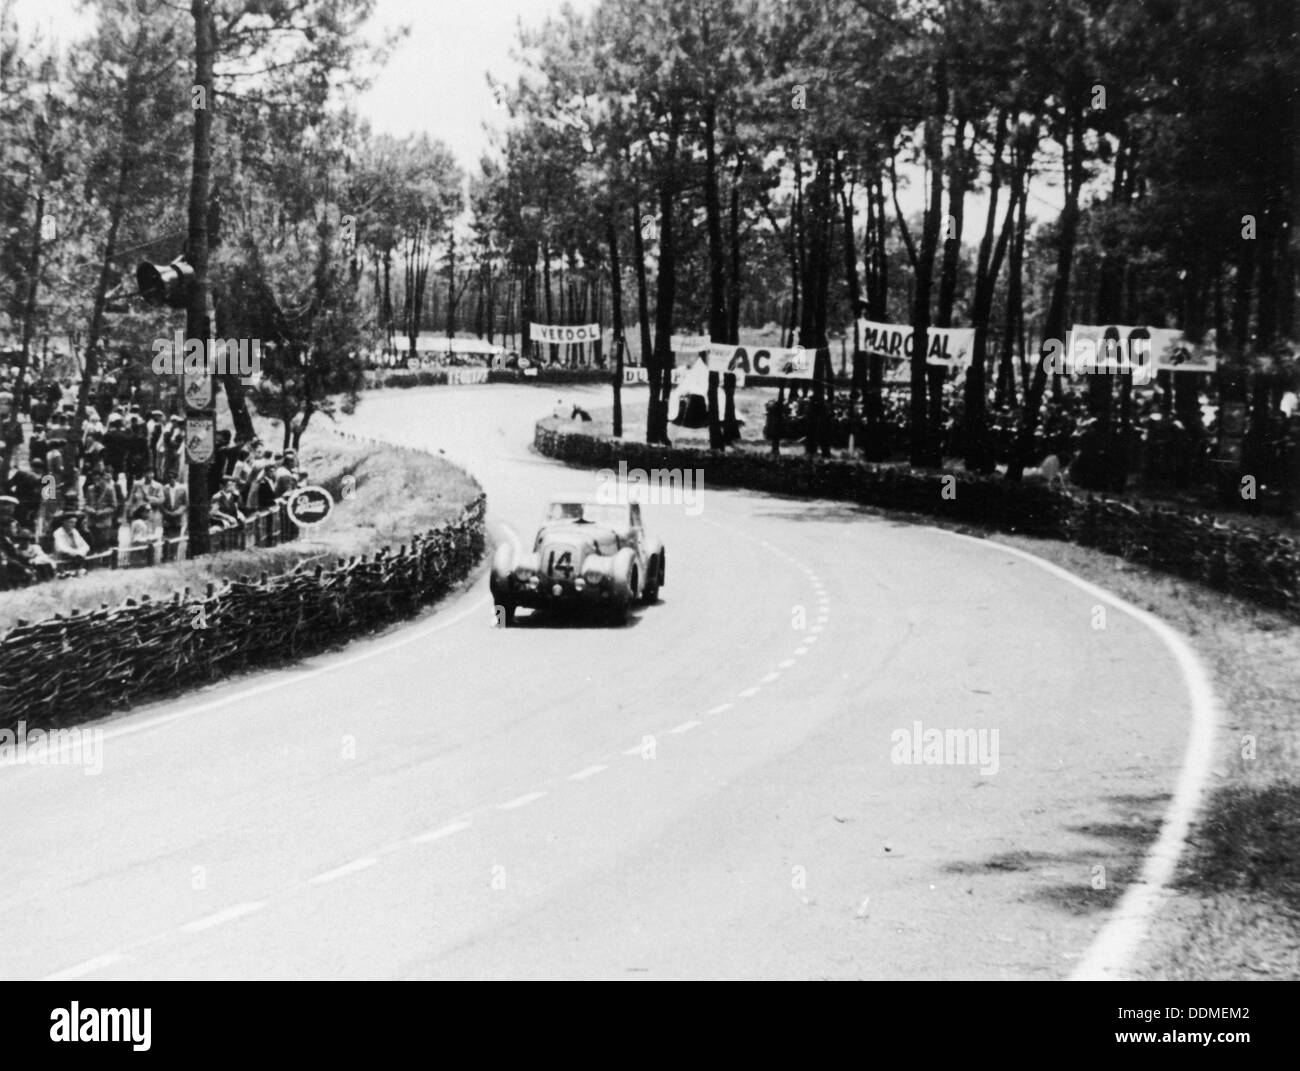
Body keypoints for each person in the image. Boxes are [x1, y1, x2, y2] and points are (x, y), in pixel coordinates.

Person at [83, 465, 122, 552]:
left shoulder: (110, 489)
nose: (96, 482)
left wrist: (103, 512)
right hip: (92, 521)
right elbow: (86, 504)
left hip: (104, 522)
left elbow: (114, 506)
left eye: (98, 480)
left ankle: (105, 563)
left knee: (104, 545)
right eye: (94, 480)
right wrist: (90, 510)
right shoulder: (90, 489)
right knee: (93, 544)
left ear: (102, 479)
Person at [160, 472, 188, 541]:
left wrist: (178, 512)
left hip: (177, 518)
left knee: (176, 539)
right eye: (169, 478)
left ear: (176, 478)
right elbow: (161, 503)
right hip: (167, 518)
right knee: (166, 540)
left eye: (173, 478)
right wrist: (166, 512)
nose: (171, 480)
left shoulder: (182, 489)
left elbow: (184, 503)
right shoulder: (164, 489)